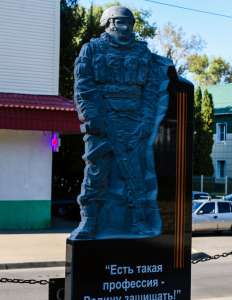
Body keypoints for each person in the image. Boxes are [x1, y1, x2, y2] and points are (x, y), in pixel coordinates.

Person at [71, 6, 172, 239]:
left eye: (130, 23)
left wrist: (147, 121)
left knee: (136, 175)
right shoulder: (92, 49)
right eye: (121, 22)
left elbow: (151, 91)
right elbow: (83, 86)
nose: (126, 27)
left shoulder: (142, 52)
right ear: (110, 23)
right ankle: (90, 223)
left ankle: (138, 222)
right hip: (102, 121)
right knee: (96, 173)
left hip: (134, 122)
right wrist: (92, 116)